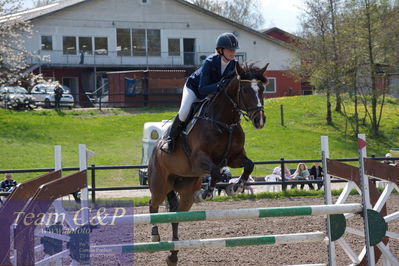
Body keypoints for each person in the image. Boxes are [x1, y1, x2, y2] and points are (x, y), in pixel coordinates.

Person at [161, 32, 239, 153]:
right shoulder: (210, 61)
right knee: (184, 112)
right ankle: (170, 140)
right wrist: (219, 85)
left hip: (212, 93)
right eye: (230, 49)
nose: (233, 52)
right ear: (221, 50)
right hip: (194, 89)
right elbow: (202, 89)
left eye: (234, 49)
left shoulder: (234, 65)